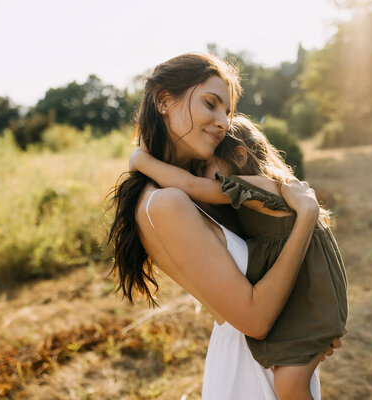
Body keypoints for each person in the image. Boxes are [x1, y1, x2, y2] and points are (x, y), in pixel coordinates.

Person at [109, 53, 338, 399]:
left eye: (227, 112)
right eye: (210, 103)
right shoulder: (166, 202)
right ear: (163, 101)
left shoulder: (197, 186)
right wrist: (306, 217)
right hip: (251, 372)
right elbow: (256, 320)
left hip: (278, 352)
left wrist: (314, 319)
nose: (223, 122)